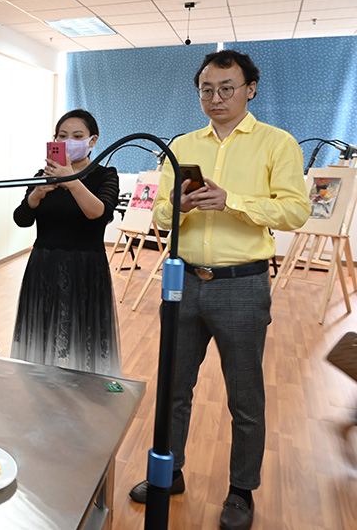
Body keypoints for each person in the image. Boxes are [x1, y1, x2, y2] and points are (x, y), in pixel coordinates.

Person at [127, 50, 308, 530]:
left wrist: (233, 202)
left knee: (244, 397)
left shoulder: (277, 143)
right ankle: (170, 472)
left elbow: (295, 211)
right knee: (174, 388)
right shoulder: (183, 145)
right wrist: (179, 205)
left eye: (227, 88)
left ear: (251, 89)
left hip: (241, 285)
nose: (216, 97)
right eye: (207, 89)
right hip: (183, 283)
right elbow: (161, 215)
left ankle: (241, 491)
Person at [11, 109, 121, 376]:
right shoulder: (42, 174)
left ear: (93, 140)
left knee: (84, 341)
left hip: (85, 268)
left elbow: (99, 214)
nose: (69, 141)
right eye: (62, 136)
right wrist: (36, 194)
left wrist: (71, 180)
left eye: (77, 136)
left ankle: (82, 393)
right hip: (43, 266)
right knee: (42, 338)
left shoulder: (105, 175)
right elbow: (22, 219)